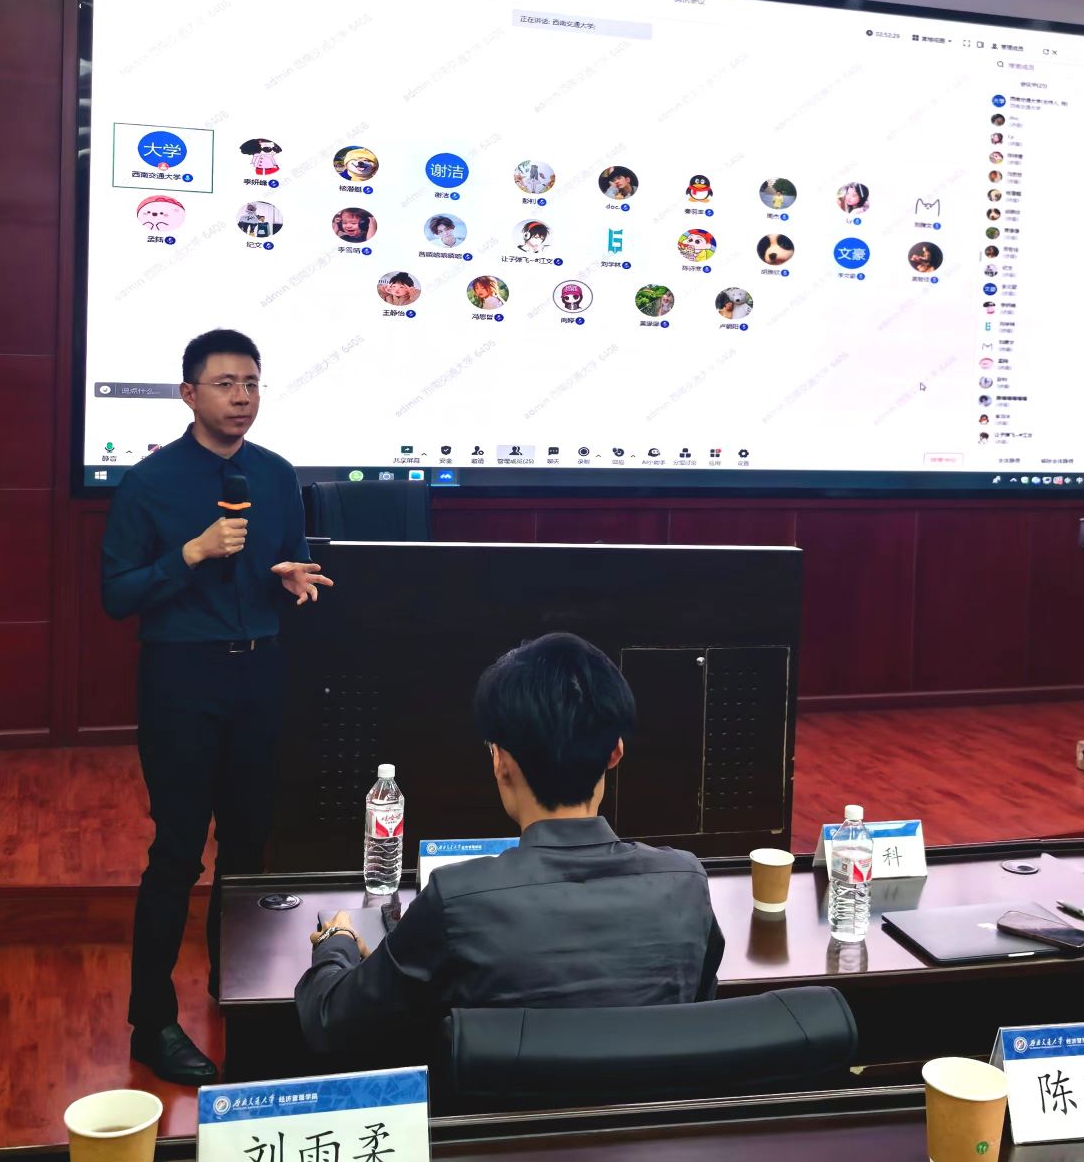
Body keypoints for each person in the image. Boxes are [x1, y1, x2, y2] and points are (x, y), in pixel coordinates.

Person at [294, 634, 724, 1054]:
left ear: (500, 760)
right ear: (615, 752)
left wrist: (337, 940)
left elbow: (330, 1023)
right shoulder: (686, 884)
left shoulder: (456, 901)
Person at [100, 329, 335, 1085]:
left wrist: (289, 576)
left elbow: (283, 562)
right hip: (182, 679)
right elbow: (116, 595)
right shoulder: (149, 482)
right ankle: (151, 1022)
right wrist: (191, 554)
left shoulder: (276, 474)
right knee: (177, 851)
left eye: (252, 384)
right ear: (189, 394)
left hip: (261, 674)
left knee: (247, 847)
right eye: (226, 384)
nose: (242, 398)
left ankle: (235, 989)